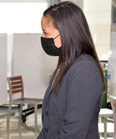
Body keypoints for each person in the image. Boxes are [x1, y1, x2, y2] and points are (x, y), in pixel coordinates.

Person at [37, 1, 105, 139]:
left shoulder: (84, 69)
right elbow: (51, 126)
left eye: (45, 32)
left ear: (64, 33)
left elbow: (74, 132)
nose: (43, 38)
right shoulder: (66, 64)